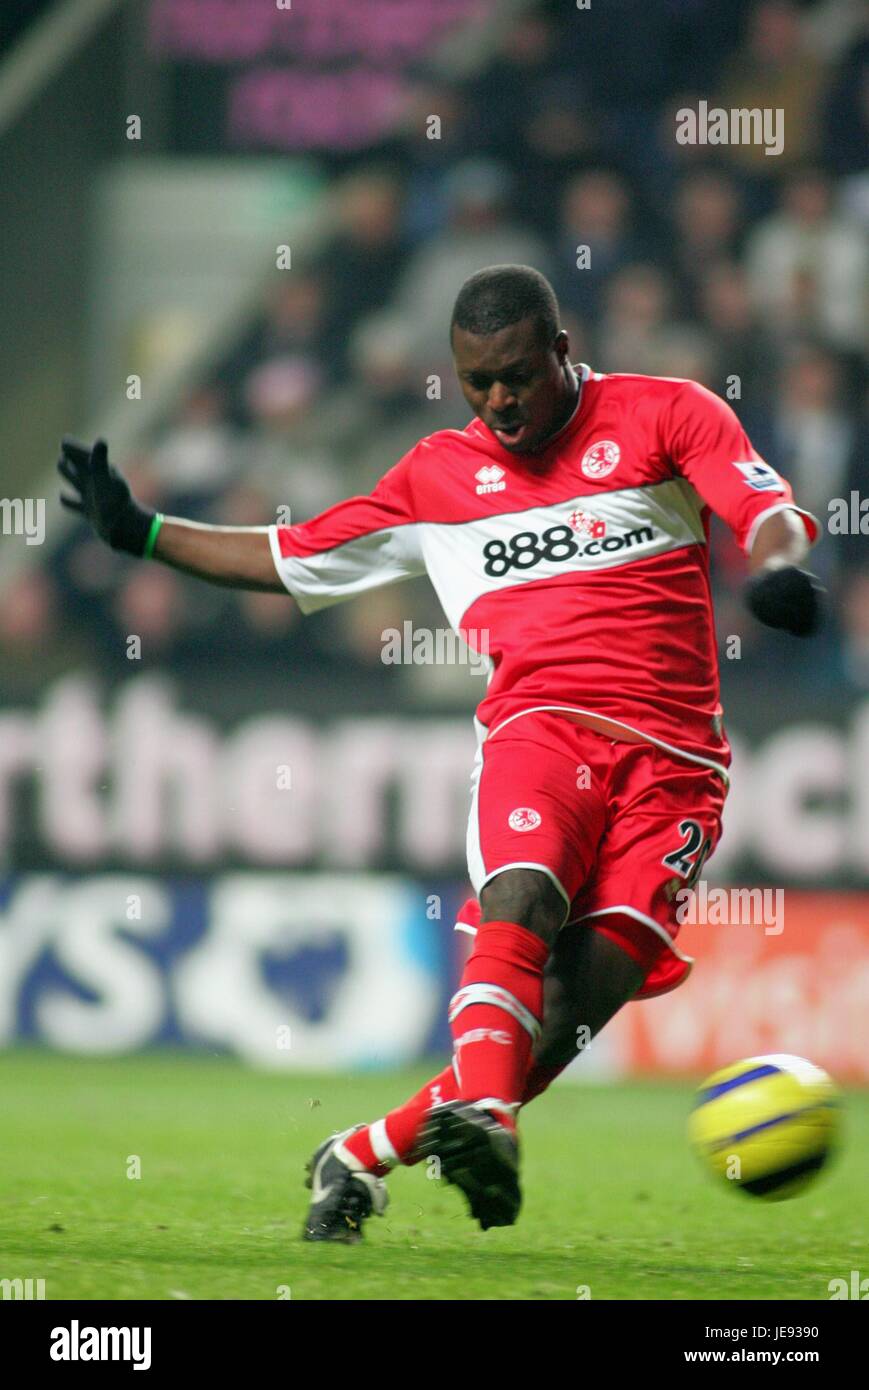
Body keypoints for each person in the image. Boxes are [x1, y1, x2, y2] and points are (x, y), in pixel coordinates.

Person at [57, 264, 823, 1242]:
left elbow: (760, 506)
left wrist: (776, 569)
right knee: (520, 895)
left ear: (559, 348)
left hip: (673, 769)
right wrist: (144, 532)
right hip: (537, 728)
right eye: (475, 383)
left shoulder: (661, 413)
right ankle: (488, 1127)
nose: (498, 400)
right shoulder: (436, 478)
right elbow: (294, 558)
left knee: (563, 1019)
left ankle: (361, 1153)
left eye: (515, 375)